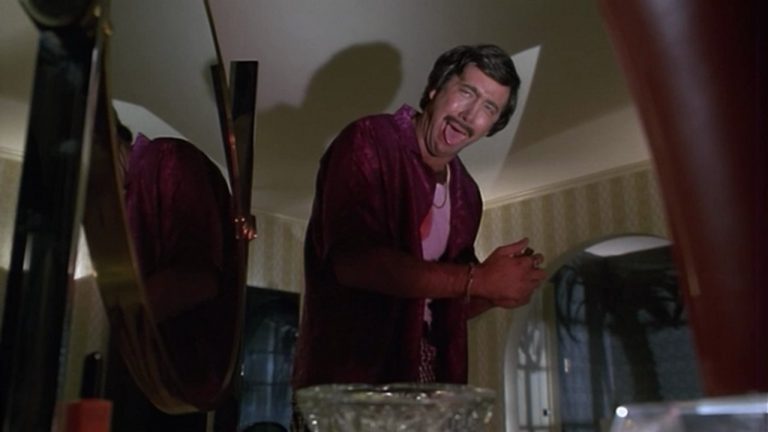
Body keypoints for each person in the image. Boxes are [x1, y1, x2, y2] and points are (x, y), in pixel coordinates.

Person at [291, 44, 547, 421]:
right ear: (434, 89)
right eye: (466, 92)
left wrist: (496, 289)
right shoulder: (368, 140)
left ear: (492, 126)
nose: (470, 114)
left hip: (432, 389)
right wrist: (478, 279)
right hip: (351, 390)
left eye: (489, 108)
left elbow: (447, 303)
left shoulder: (467, 193)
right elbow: (355, 263)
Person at [105, 119, 238, 432]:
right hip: (157, 384)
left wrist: (122, 316)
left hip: (180, 385)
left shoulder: (167, 158)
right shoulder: (128, 194)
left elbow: (196, 279)